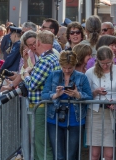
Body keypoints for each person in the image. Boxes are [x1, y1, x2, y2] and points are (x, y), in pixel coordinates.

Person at [41, 50, 93, 159]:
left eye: (70, 68)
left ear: (74, 65)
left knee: (71, 155)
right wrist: (55, 95)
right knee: (58, 155)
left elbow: (89, 96)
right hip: (54, 119)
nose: (67, 70)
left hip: (75, 120)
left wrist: (78, 95)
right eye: (64, 67)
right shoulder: (54, 75)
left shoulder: (81, 77)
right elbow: (44, 94)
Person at [23, 30, 60, 160]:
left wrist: (26, 74)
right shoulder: (53, 57)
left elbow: (32, 85)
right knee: (42, 143)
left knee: (41, 144)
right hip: (45, 105)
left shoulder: (45, 60)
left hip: (40, 107)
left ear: (38, 42)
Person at [85, 46, 116, 160]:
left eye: (108, 63)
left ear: (113, 59)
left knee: (109, 155)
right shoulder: (89, 72)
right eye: (102, 63)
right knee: (94, 154)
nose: (105, 66)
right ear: (97, 60)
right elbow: (86, 95)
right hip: (95, 113)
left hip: (113, 114)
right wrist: (96, 92)